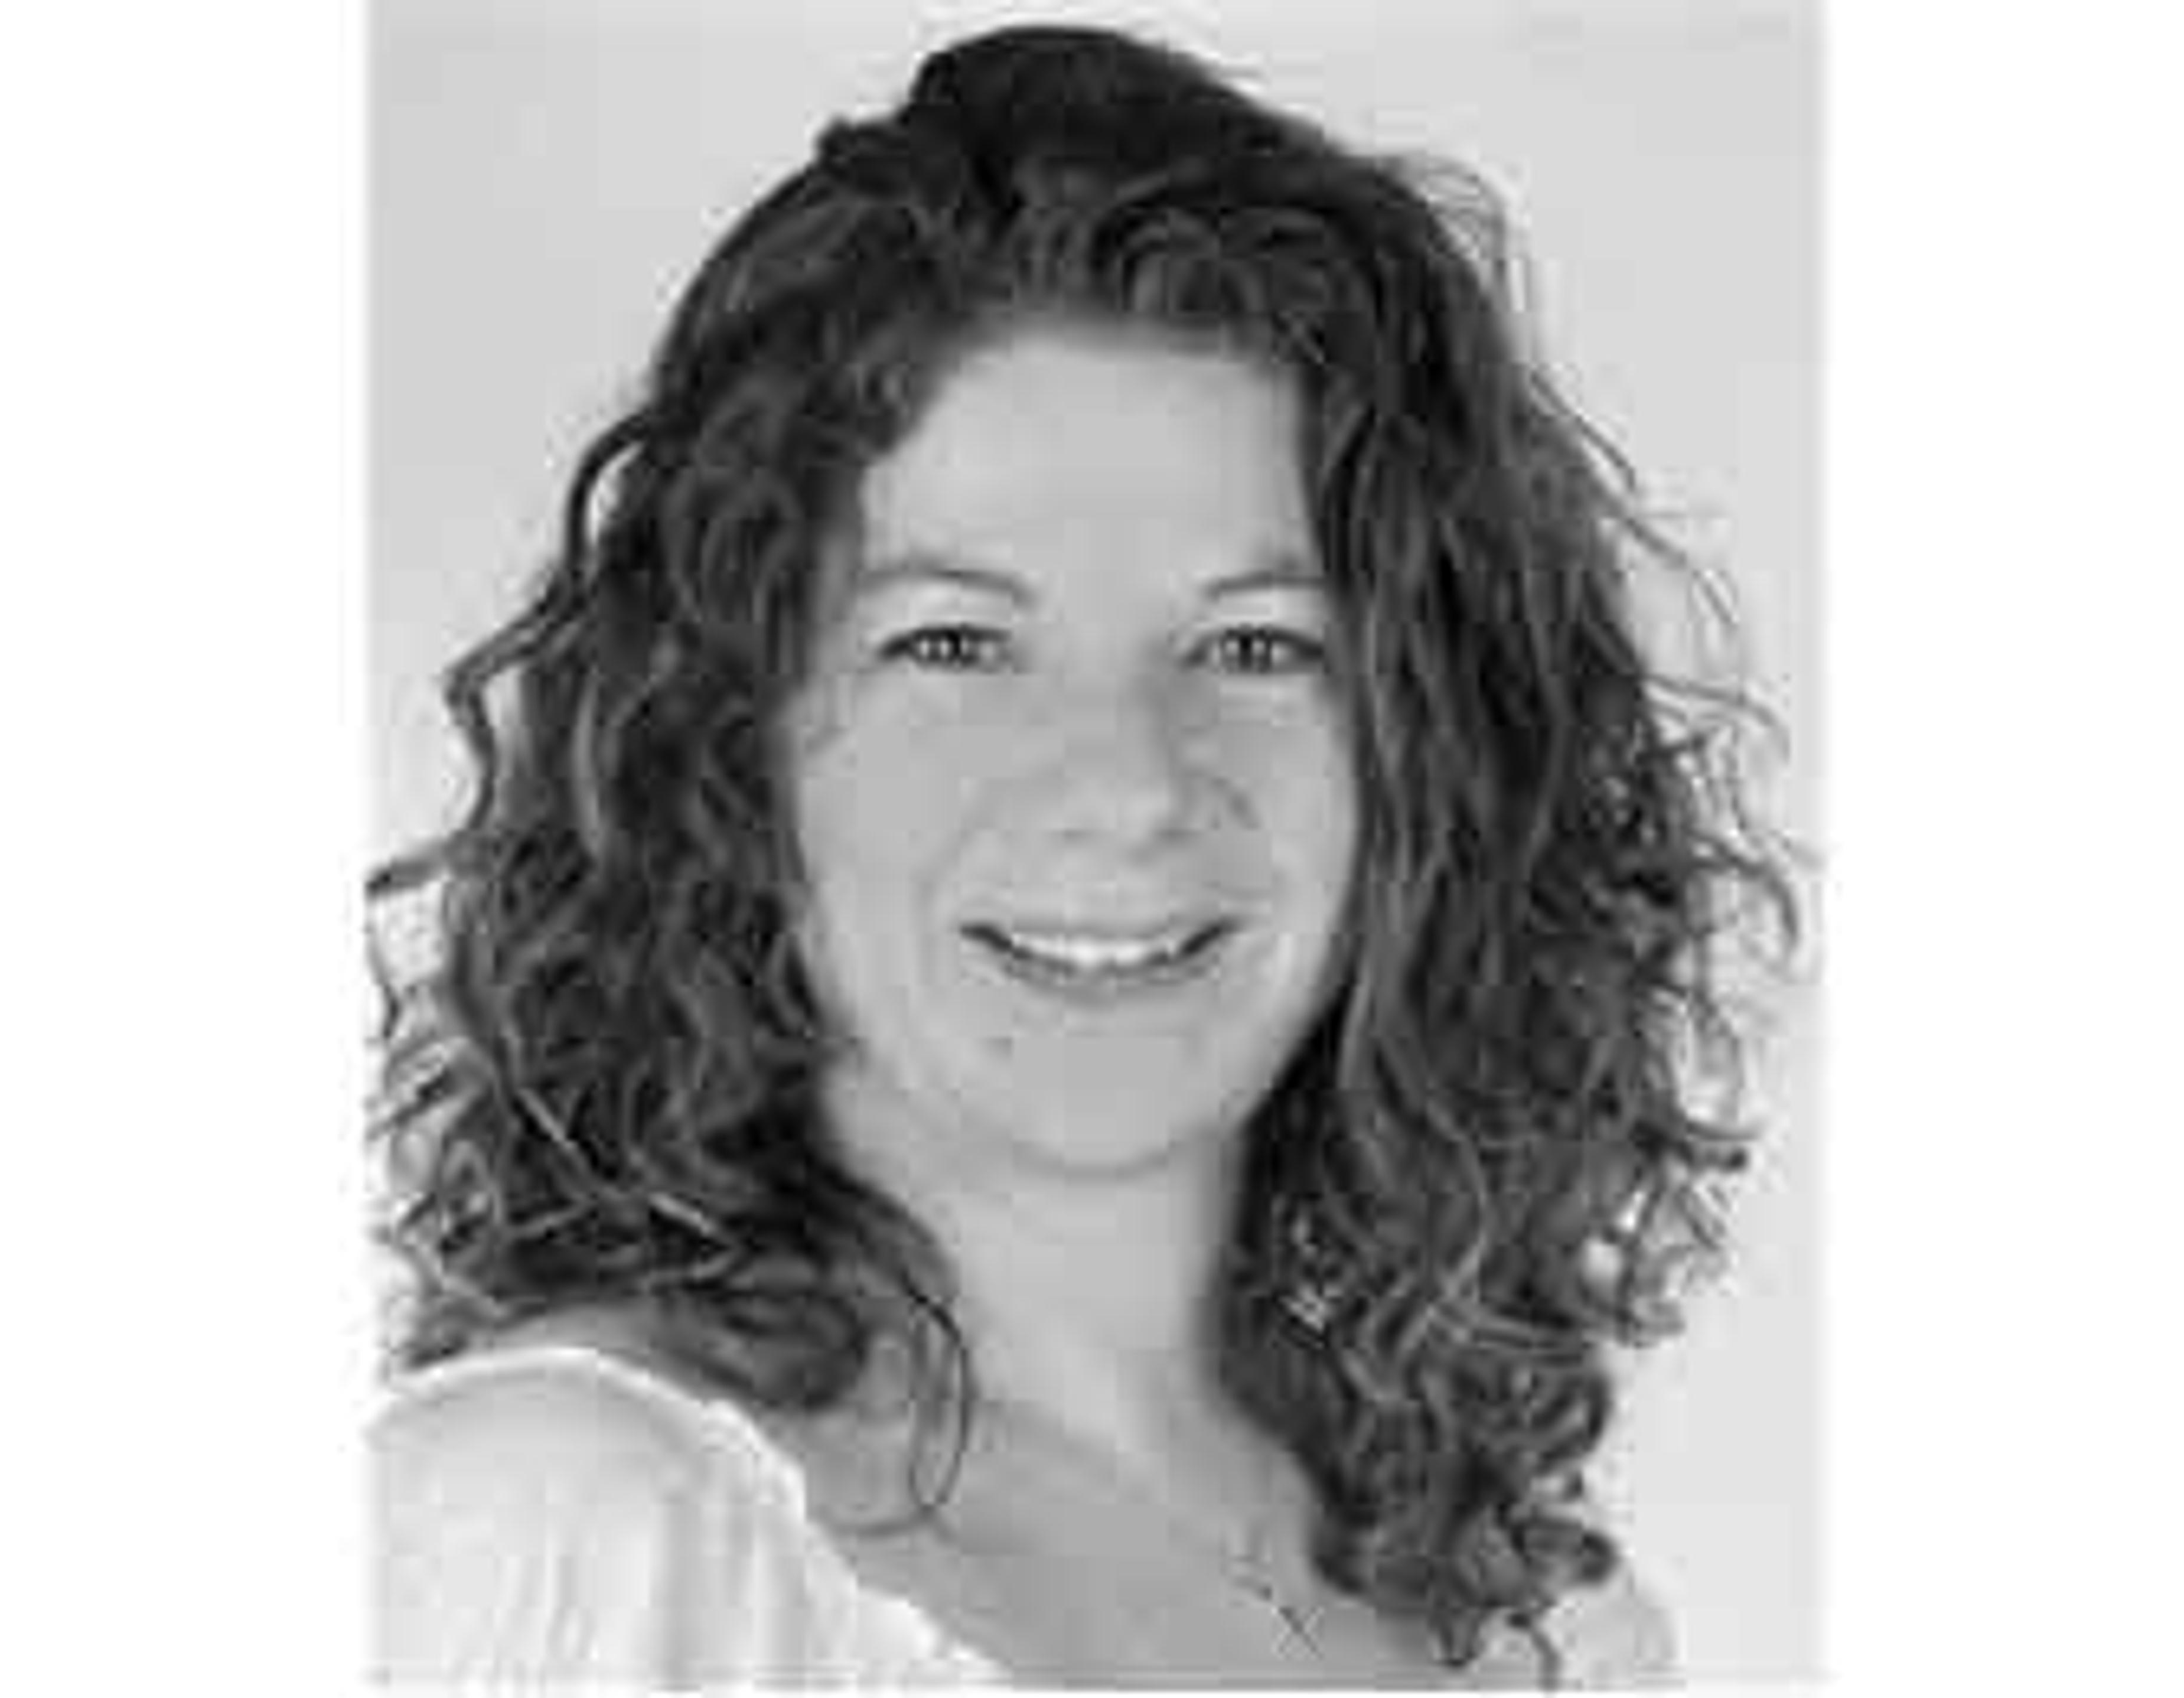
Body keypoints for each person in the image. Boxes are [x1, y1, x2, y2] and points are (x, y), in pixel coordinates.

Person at [368, 21, 1795, 1688]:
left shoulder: (1541, 1627)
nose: (1126, 781)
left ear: (1433, 764)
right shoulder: (557, 1531)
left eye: (1257, 646)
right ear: (723, 742)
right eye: (955, 644)